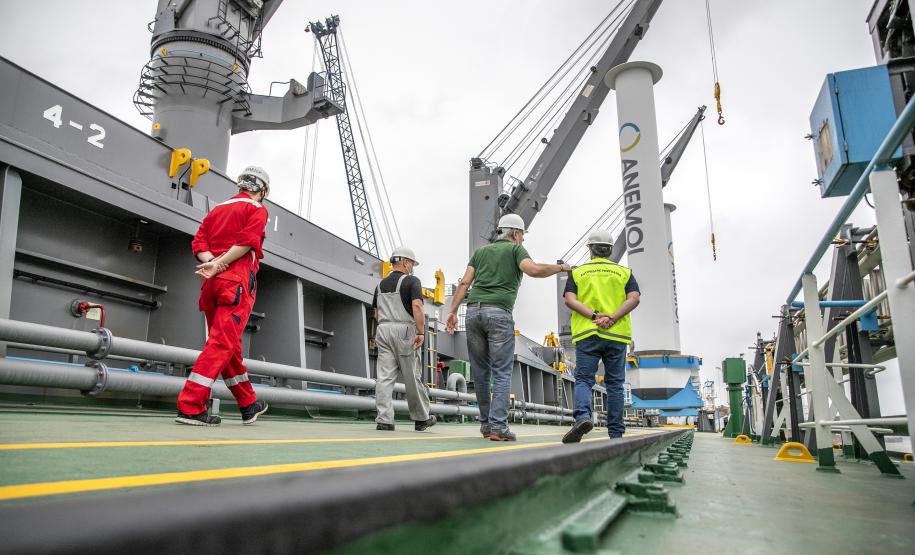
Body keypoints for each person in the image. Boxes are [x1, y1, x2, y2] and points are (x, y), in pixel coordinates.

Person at [446, 214, 570, 441]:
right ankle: (499, 427)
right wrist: (560, 268)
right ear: (514, 233)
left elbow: (464, 282)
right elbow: (533, 270)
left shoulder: (481, 252)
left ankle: (486, 426)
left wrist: (452, 312)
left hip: (472, 313)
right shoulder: (515, 250)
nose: (523, 239)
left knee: (480, 374)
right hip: (498, 313)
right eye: (522, 235)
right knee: (502, 373)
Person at [175, 166, 271, 426]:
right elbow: (247, 242)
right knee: (221, 344)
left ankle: (248, 404)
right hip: (236, 283)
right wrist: (220, 264)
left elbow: (199, 242)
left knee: (229, 346)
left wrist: (213, 263)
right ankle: (190, 406)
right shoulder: (257, 209)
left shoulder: (217, 210)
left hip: (212, 284)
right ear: (263, 191)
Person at [561, 229, 640, 443]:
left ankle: (583, 417)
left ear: (590, 249)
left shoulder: (578, 273)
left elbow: (570, 300)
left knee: (584, 379)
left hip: (588, 333)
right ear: (610, 250)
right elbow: (634, 298)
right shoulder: (624, 273)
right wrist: (611, 317)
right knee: (615, 384)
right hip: (617, 335)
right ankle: (616, 433)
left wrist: (595, 316)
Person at [372, 247, 436, 432]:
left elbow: (376, 313)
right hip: (405, 330)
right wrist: (421, 332)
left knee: (384, 377)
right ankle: (421, 418)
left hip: (383, 329)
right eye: (412, 264)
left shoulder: (379, 286)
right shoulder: (412, 281)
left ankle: (384, 420)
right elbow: (417, 306)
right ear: (406, 263)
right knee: (412, 376)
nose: (412, 268)